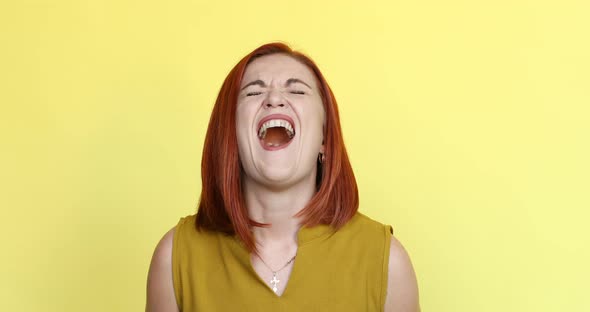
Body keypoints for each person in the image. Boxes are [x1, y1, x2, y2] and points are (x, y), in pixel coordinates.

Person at [146, 42, 420, 312]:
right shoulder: (174, 258)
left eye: (297, 90)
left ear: (325, 138)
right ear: (230, 135)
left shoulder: (386, 261)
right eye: (253, 92)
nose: (274, 98)